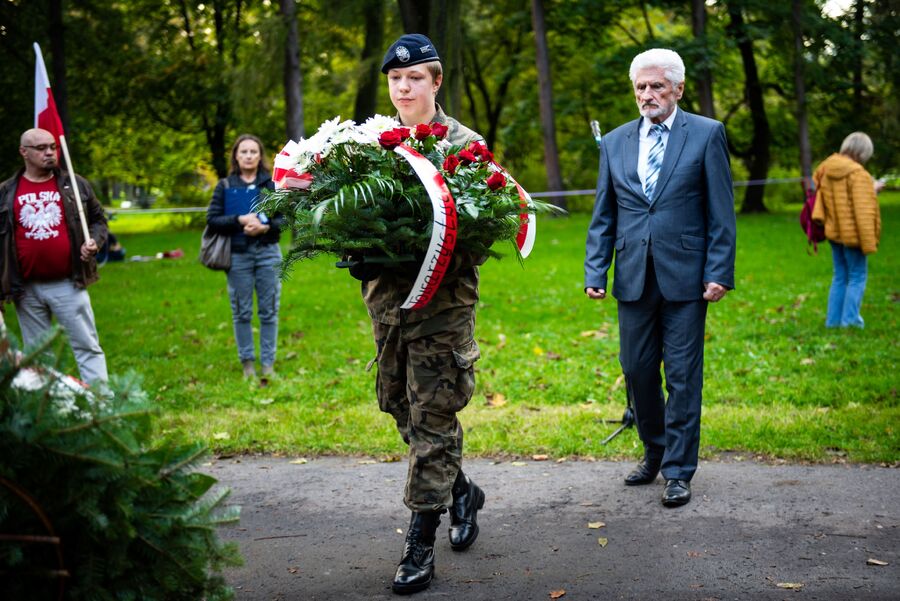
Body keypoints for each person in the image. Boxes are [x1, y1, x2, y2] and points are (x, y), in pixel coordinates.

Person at [361, 34, 486, 594]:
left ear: (436, 82)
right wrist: (359, 251)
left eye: (415, 78)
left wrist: (420, 247)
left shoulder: (465, 146)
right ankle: (462, 492)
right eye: (395, 79)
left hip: (442, 311)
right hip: (389, 309)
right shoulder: (369, 143)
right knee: (397, 404)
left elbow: (481, 235)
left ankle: (419, 542)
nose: (404, 87)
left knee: (433, 422)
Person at [584, 48, 736, 507]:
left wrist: (719, 271)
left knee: (684, 376)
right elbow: (603, 213)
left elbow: (721, 212)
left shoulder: (707, 135)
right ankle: (655, 448)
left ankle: (678, 470)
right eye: (640, 88)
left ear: (678, 89)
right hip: (633, 275)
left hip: (688, 278)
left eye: (656, 86)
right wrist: (597, 268)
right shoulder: (614, 142)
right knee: (637, 370)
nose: (647, 95)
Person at [0, 128, 109, 384]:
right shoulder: (6, 192)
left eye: (52, 147)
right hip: (25, 288)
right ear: (23, 152)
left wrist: (95, 241)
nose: (49, 152)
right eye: (41, 148)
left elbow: (98, 220)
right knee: (38, 357)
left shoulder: (74, 183)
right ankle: (47, 412)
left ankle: (103, 407)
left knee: (87, 345)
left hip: (68, 282)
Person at [206, 134, 283, 379]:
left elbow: (285, 218)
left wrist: (265, 227)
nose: (248, 156)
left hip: (267, 253)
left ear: (260, 156)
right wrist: (239, 220)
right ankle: (247, 364)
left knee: (269, 310)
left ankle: (268, 364)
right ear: (236, 157)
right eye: (244, 152)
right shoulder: (225, 186)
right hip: (237, 255)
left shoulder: (271, 185)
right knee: (241, 312)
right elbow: (212, 219)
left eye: (253, 152)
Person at [811, 132, 882, 328]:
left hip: (833, 232)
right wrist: (873, 190)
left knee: (840, 275)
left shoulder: (826, 168)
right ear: (863, 151)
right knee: (857, 276)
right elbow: (863, 209)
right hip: (854, 235)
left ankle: (833, 321)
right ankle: (850, 321)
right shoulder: (858, 174)